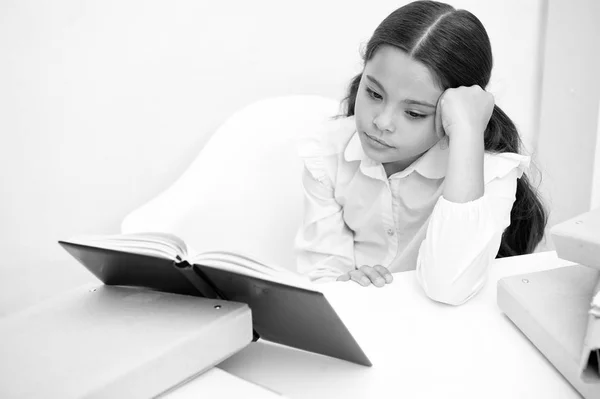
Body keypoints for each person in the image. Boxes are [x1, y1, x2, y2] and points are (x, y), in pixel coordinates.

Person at [294, 0, 547, 305]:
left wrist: (467, 132)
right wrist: (344, 283)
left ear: (454, 109)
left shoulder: (491, 171)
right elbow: (322, 276)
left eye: (413, 113)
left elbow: (448, 288)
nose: (382, 122)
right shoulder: (328, 152)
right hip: (362, 325)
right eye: (374, 93)